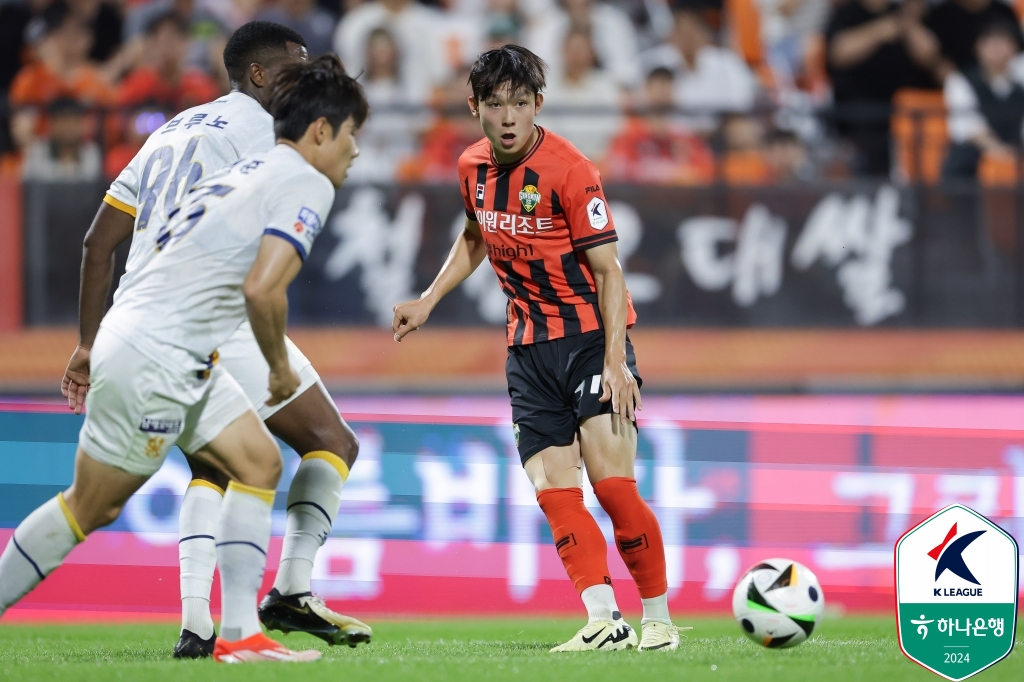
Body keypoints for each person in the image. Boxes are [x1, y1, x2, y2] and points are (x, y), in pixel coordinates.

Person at [0, 53, 367, 664]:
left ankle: (241, 634)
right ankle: (240, 624)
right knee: (90, 506)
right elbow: (262, 289)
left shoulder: (240, 161)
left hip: (150, 331)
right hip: (161, 353)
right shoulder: (304, 179)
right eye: (352, 134)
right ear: (322, 131)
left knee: (255, 462)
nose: (356, 152)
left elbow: (109, 242)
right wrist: (276, 365)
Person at [392, 45, 684, 652]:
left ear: (537, 106)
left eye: (519, 104)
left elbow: (608, 272)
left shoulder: (572, 170)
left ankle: (658, 619)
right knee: (553, 487)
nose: (507, 117)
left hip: (588, 341)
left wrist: (614, 360)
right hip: (527, 349)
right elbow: (476, 234)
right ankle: (604, 618)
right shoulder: (471, 165)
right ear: (474, 107)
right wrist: (428, 299)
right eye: (495, 104)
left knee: (611, 485)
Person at [825, 0, 940, 175]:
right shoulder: (848, 12)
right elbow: (838, 53)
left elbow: (930, 54)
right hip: (858, 112)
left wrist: (908, 22)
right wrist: (879, 31)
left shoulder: (902, 13)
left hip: (902, 110)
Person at [604, 65, 715, 184]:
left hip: (679, 197)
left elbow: (705, 171)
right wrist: (666, 173)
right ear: (647, 89)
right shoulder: (629, 130)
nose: (664, 90)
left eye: (668, 84)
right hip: (638, 197)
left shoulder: (684, 134)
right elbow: (617, 168)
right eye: (659, 85)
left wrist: (685, 174)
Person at [944, 21, 1024, 177]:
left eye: (1002, 41)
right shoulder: (960, 81)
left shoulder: (1020, 85)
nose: (995, 48)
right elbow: (970, 127)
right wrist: (1000, 152)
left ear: (1014, 47)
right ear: (978, 47)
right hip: (969, 169)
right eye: (989, 42)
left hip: (1014, 167)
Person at [116, 11, 221, 113]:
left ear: (186, 43)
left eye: (173, 39)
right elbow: (118, 114)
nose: (167, 47)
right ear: (152, 44)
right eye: (162, 40)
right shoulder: (139, 82)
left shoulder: (200, 84)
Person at [926, 0, 1024, 77]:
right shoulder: (940, 17)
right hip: (965, 83)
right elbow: (939, 65)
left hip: (1009, 80)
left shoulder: (1005, 11)